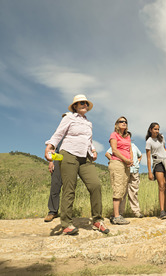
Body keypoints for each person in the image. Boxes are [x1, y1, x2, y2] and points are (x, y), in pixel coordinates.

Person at [44, 94, 109, 235]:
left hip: (85, 157)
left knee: (95, 185)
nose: (84, 105)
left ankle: (97, 220)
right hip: (69, 154)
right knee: (69, 188)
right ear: (75, 106)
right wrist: (50, 146)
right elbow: (58, 133)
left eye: (85, 103)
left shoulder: (89, 123)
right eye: (81, 103)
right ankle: (66, 223)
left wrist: (93, 149)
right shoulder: (69, 117)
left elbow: (88, 140)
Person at [145, 122, 166, 219]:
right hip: (158, 163)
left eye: (158, 129)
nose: (157, 131)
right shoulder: (149, 141)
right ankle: (162, 211)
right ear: (150, 130)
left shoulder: (161, 138)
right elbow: (148, 158)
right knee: (162, 186)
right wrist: (150, 172)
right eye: (155, 129)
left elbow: (164, 149)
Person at [105, 142, 143, 218]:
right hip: (123, 170)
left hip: (134, 171)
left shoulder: (133, 145)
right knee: (122, 192)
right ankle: (119, 213)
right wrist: (115, 161)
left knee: (134, 192)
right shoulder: (119, 144)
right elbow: (107, 153)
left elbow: (140, 155)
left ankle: (136, 212)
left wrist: (138, 162)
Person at [108, 116, 133, 225]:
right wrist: (126, 160)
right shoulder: (114, 135)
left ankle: (116, 214)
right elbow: (114, 150)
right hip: (117, 163)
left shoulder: (127, 137)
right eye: (121, 121)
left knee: (123, 188)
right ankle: (117, 217)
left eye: (125, 122)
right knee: (118, 188)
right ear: (117, 124)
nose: (124, 123)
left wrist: (130, 160)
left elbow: (130, 149)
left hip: (126, 165)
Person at [44, 136, 63, 223]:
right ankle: (52, 211)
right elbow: (51, 144)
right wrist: (51, 161)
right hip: (59, 156)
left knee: (69, 186)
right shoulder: (62, 129)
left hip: (73, 158)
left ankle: (66, 212)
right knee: (55, 185)